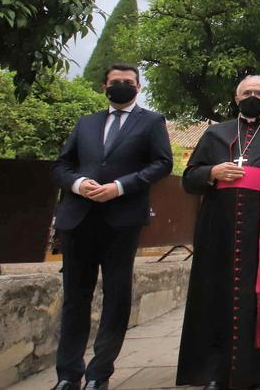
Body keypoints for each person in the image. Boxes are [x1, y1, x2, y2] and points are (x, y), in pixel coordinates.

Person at [176, 75, 260, 390]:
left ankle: (255, 367)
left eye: (259, 92)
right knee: (215, 291)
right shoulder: (215, 133)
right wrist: (212, 171)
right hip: (218, 226)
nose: (252, 96)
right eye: (246, 92)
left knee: (259, 290)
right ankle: (214, 369)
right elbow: (189, 177)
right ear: (236, 99)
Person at [49, 63, 173, 390]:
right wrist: (78, 184)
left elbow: (162, 163)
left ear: (139, 86)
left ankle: (98, 374)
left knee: (116, 296)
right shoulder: (86, 123)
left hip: (122, 218)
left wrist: (119, 186)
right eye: (116, 82)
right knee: (75, 297)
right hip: (79, 217)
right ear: (105, 86)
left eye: (128, 82)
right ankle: (67, 374)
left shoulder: (151, 122)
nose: (122, 86)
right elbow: (62, 165)